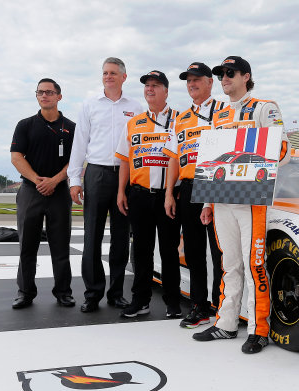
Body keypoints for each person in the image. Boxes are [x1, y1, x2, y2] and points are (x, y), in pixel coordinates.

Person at [194, 56, 291, 354]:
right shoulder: (219, 114)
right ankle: (226, 324)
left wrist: (256, 158)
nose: (224, 78)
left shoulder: (264, 107)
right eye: (221, 73)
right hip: (222, 199)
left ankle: (259, 329)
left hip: (252, 199)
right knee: (230, 264)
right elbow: (212, 159)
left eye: (230, 73)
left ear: (246, 76)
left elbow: (285, 150)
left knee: (254, 265)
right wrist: (207, 201)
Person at [68, 57, 143, 313]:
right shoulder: (90, 105)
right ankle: (92, 293)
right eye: (104, 73)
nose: (108, 76)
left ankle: (116, 293)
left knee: (121, 238)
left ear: (124, 76)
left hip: (126, 177)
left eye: (113, 73)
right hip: (97, 174)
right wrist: (74, 180)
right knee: (92, 237)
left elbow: (141, 144)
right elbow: (79, 143)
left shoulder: (137, 107)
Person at [115, 70, 182, 318]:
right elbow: (124, 160)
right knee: (141, 251)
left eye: (155, 85)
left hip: (168, 196)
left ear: (166, 91)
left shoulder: (180, 119)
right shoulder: (133, 123)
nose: (150, 90)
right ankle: (140, 300)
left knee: (168, 250)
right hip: (140, 194)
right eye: (147, 86)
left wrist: (171, 193)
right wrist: (122, 191)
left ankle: (173, 303)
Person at [163, 62, 225, 328]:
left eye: (197, 79)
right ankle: (199, 306)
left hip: (219, 184)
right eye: (188, 80)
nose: (192, 84)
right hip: (188, 187)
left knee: (220, 250)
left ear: (210, 82)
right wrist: (169, 193)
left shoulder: (225, 110)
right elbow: (174, 159)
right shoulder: (180, 118)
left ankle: (222, 303)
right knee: (194, 250)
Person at [10, 78, 76, 309]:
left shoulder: (71, 127)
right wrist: (36, 179)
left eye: (49, 92)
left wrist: (55, 180)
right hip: (31, 190)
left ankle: (63, 292)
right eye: (40, 92)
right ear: (36, 96)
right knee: (27, 246)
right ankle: (25, 292)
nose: (44, 95)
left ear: (59, 96)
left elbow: (75, 161)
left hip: (58, 192)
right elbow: (16, 157)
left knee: (60, 246)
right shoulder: (25, 125)